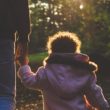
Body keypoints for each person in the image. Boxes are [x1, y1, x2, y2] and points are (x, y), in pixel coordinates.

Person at [17, 32, 110, 110]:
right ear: (75, 51)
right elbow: (95, 95)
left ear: (52, 51)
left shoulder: (46, 73)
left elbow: (29, 80)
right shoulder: (84, 72)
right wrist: (104, 107)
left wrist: (24, 65)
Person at [0, 0, 30, 109]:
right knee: (4, 94)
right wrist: (23, 38)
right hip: (3, 35)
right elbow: (20, 5)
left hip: (4, 36)